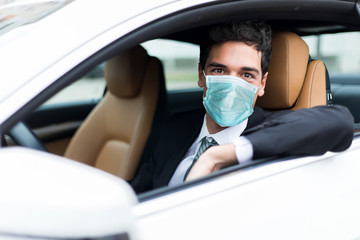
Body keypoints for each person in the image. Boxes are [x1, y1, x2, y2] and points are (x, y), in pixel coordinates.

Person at [130, 20, 354, 193]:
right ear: (201, 75)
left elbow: (340, 121)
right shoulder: (176, 126)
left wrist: (217, 156)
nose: (232, 85)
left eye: (247, 74)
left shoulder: (273, 132)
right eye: (219, 71)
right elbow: (138, 193)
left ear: (261, 84)